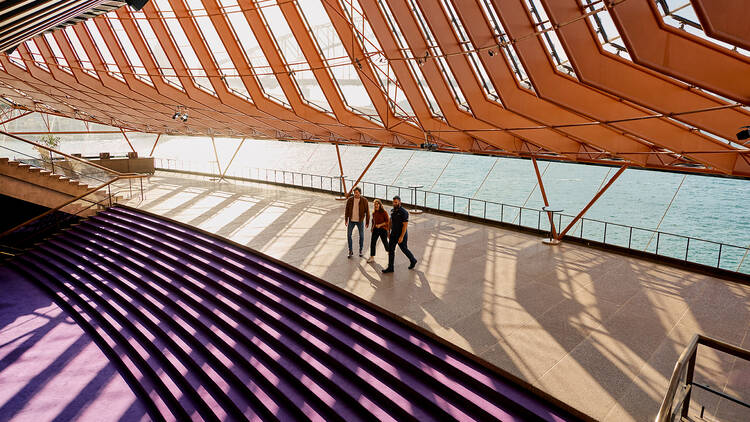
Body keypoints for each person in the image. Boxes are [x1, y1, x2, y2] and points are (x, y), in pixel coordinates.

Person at [383, 195, 417, 273]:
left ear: (399, 202)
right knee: (391, 250)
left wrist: (401, 237)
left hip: (402, 234)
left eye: (396, 202)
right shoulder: (392, 211)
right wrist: (388, 231)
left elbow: (405, 225)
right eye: (393, 202)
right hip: (393, 234)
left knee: (404, 249)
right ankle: (390, 267)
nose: (394, 204)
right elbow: (390, 222)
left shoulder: (404, 212)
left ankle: (413, 260)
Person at [344, 187, 370, 258]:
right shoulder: (350, 200)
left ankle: (360, 250)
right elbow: (346, 210)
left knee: (361, 236)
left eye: (357, 193)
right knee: (349, 235)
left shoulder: (364, 200)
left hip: (360, 221)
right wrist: (346, 219)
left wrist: (367, 221)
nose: (355, 194)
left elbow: (367, 212)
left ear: (360, 193)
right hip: (351, 221)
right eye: (354, 193)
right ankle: (350, 251)